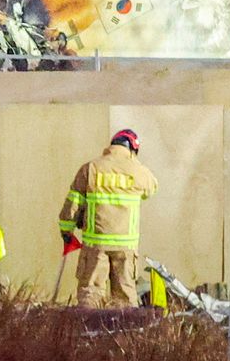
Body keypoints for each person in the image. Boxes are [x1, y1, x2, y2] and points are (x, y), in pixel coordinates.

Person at [58, 128, 158, 307]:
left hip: (96, 246)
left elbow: (72, 205)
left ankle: (88, 333)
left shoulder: (91, 168)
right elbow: (152, 188)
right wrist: (133, 163)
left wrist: (66, 231)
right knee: (124, 299)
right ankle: (126, 334)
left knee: (90, 296)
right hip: (126, 247)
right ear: (133, 149)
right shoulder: (138, 171)